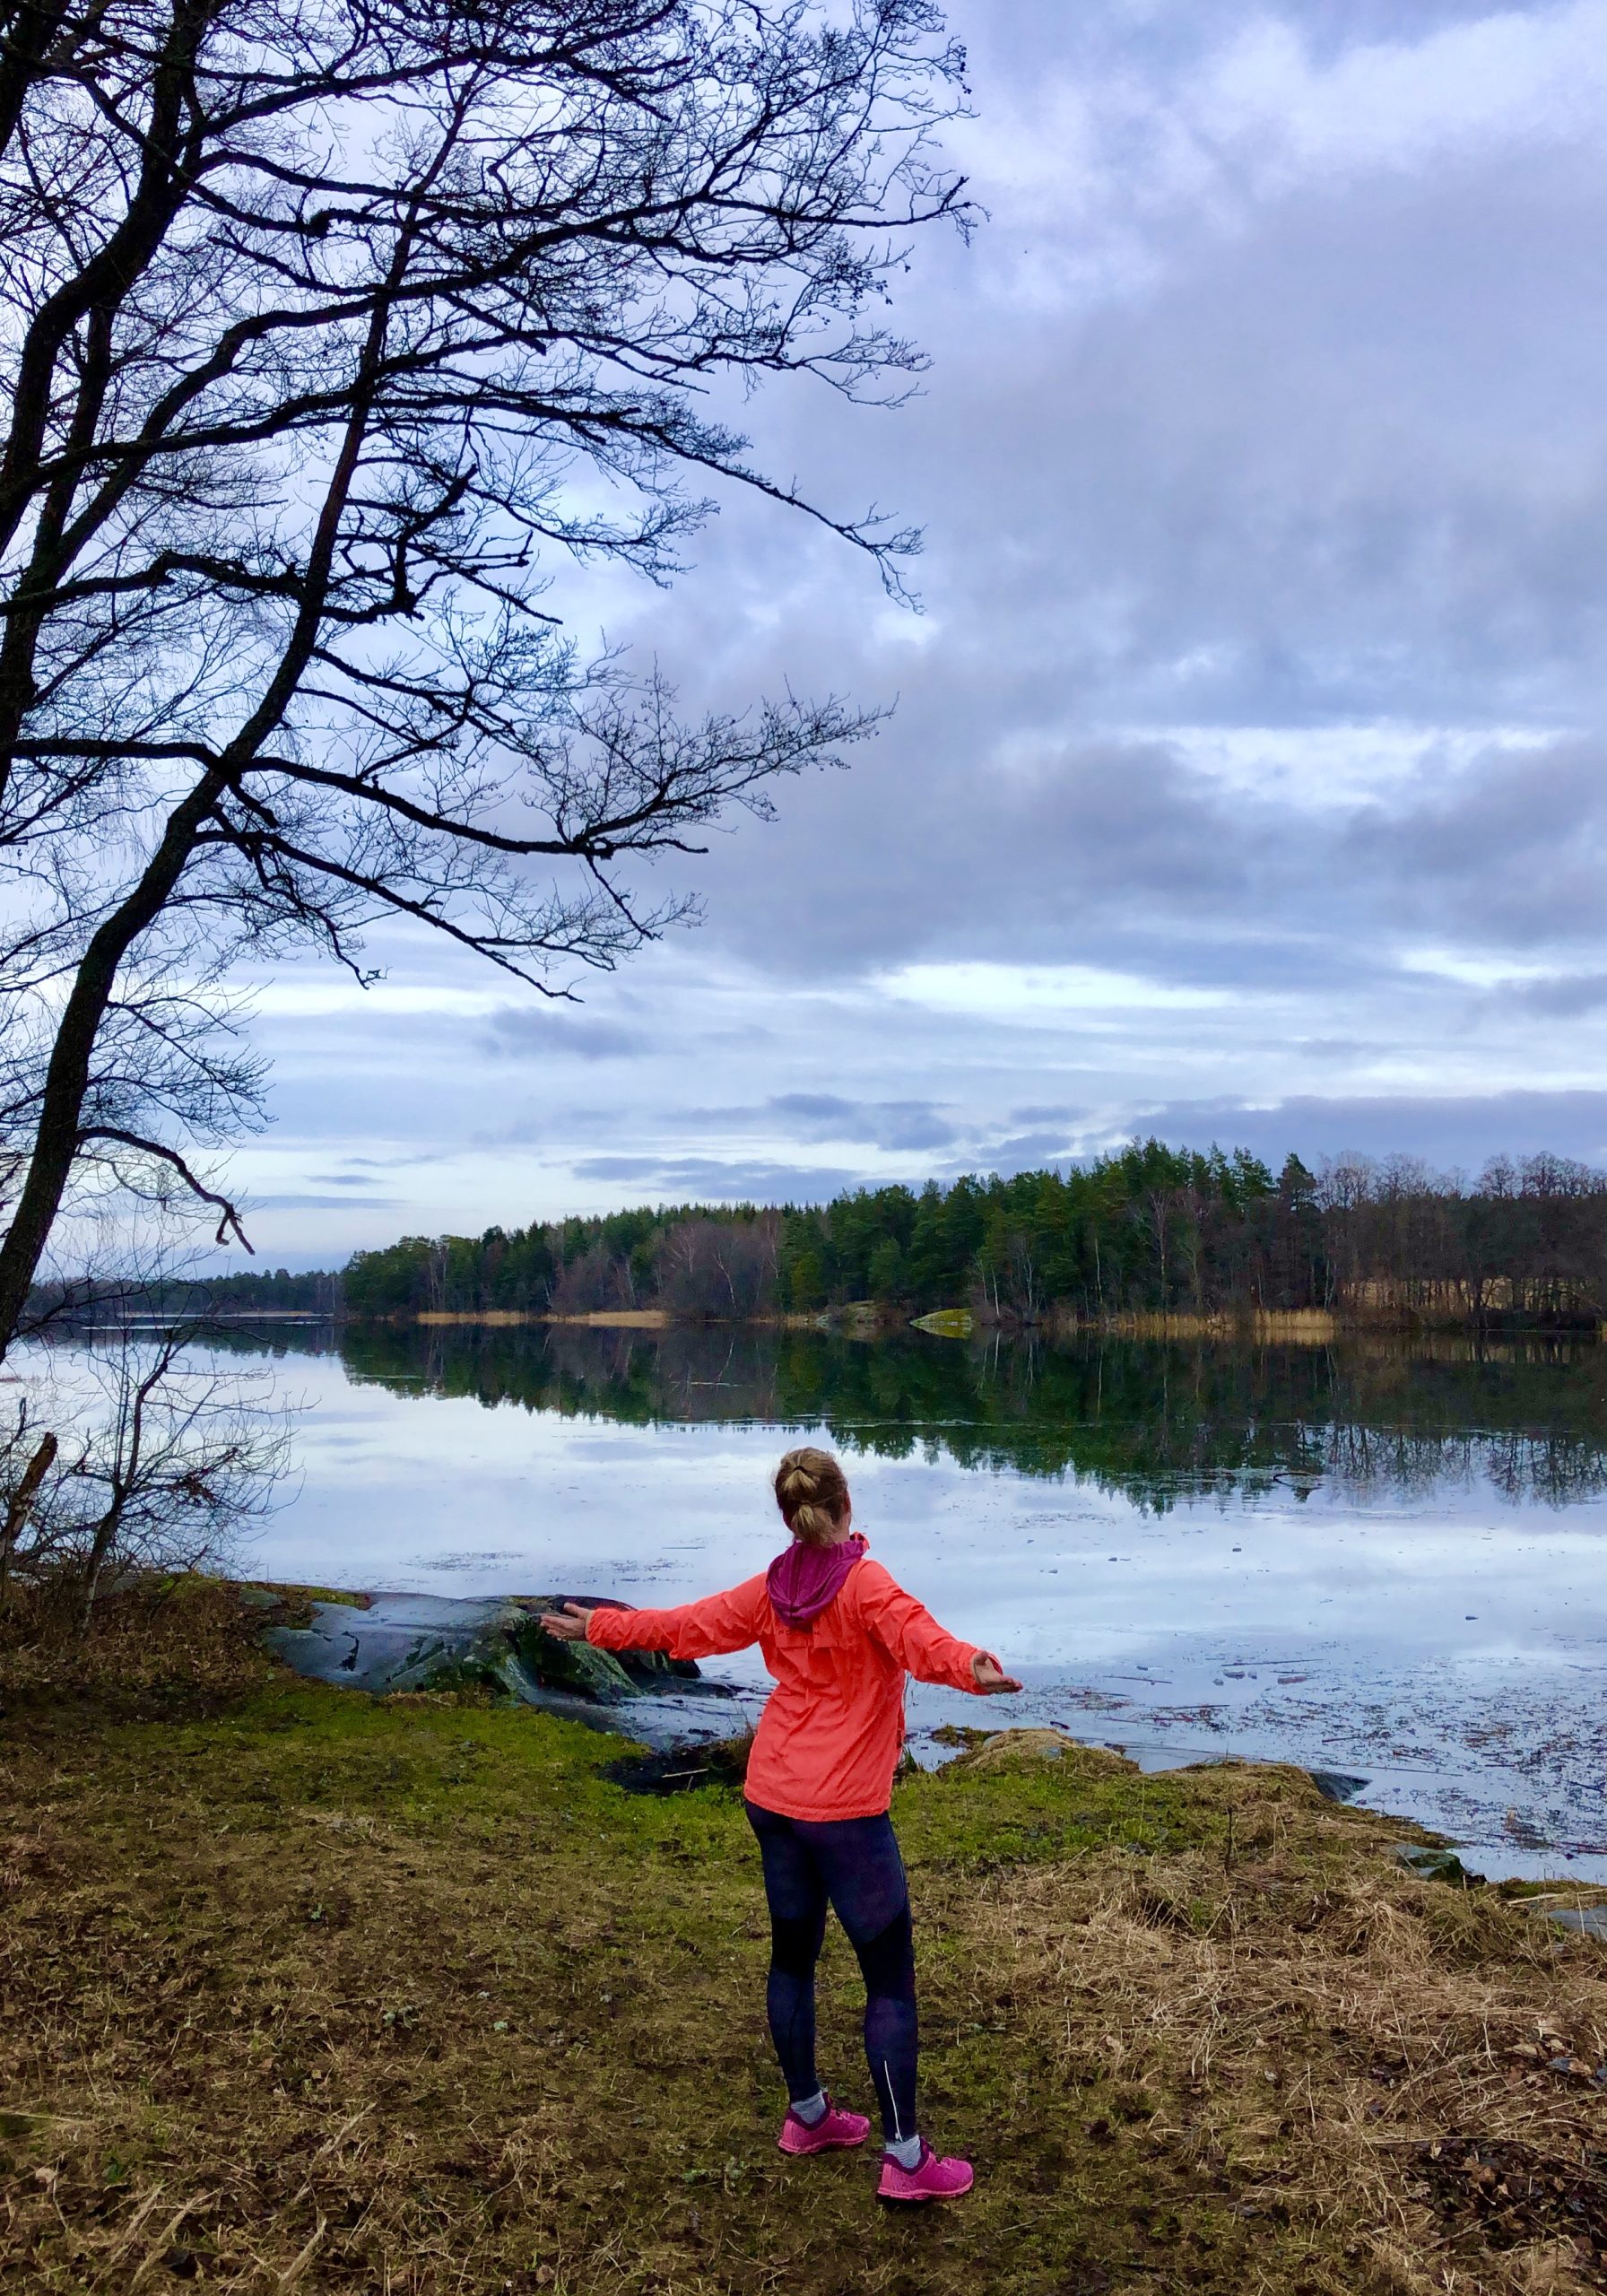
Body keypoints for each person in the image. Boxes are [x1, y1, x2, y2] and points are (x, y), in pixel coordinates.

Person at [539, 1444, 1021, 2204]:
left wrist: (600, 1625)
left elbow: (687, 1625)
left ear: (792, 1516)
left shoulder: (774, 1585)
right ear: (845, 1506)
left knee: (793, 1958)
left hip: (774, 1798)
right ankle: (905, 2160)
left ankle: (809, 2117)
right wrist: (974, 1668)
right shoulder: (864, 1583)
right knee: (889, 1983)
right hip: (844, 1814)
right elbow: (920, 1639)